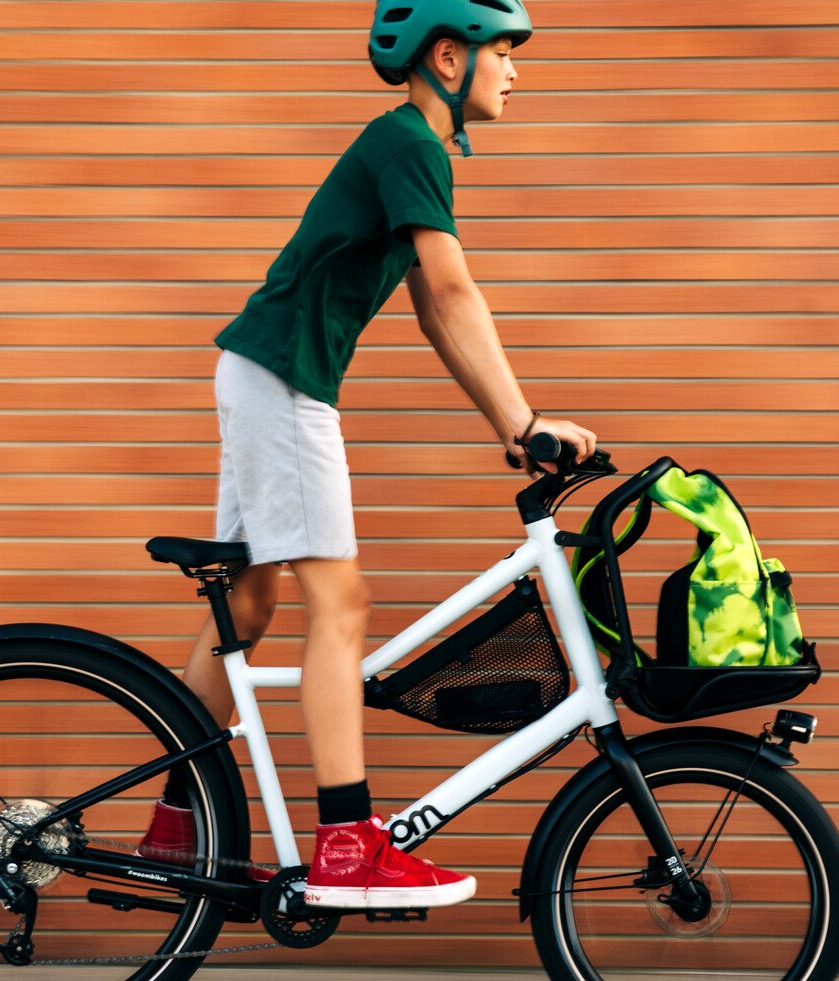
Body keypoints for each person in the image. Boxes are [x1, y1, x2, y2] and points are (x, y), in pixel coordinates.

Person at [135, 0, 596, 910]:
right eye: (503, 53)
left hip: (264, 372)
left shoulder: (408, 150)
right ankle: (348, 841)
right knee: (342, 601)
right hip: (283, 379)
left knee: (254, 602)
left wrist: (511, 428)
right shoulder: (409, 145)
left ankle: (175, 830)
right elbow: (456, 291)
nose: (517, 71)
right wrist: (529, 417)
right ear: (448, 60)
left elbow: (432, 307)